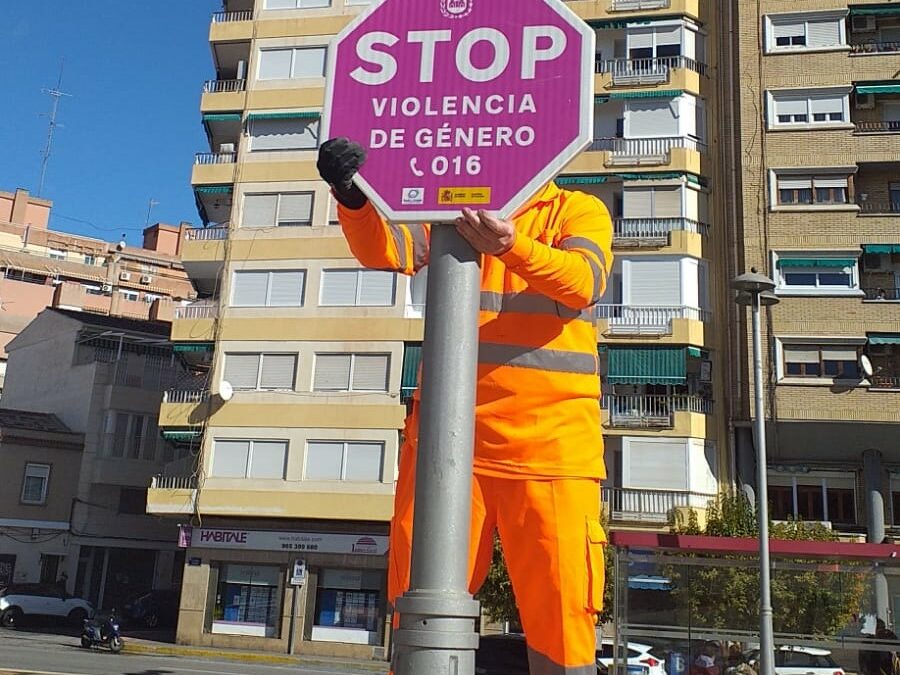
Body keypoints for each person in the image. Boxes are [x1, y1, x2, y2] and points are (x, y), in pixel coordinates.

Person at [318, 137, 614, 674]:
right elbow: (385, 248)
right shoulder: (445, 203)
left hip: (551, 454)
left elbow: (583, 282)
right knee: (420, 607)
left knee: (564, 620)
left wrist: (510, 246)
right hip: (446, 445)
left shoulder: (575, 208)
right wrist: (353, 196)